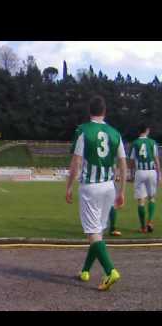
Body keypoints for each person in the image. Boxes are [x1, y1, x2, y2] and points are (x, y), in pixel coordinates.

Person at [66, 95, 126, 291]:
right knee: (96, 232)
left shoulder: (83, 130)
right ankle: (85, 270)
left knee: (93, 233)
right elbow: (123, 164)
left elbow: (76, 161)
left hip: (91, 187)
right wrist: (122, 191)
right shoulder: (115, 133)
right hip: (109, 186)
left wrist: (69, 186)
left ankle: (110, 271)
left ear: (89, 111)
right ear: (104, 111)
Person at [129, 124, 161, 233]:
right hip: (151, 171)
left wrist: (131, 174)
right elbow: (156, 159)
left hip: (140, 172)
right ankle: (150, 222)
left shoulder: (135, 143)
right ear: (147, 130)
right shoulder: (152, 142)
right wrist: (159, 175)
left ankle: (143, 227)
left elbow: (132, 160)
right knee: (152, 198)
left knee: (141, 201)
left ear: (139, 131)